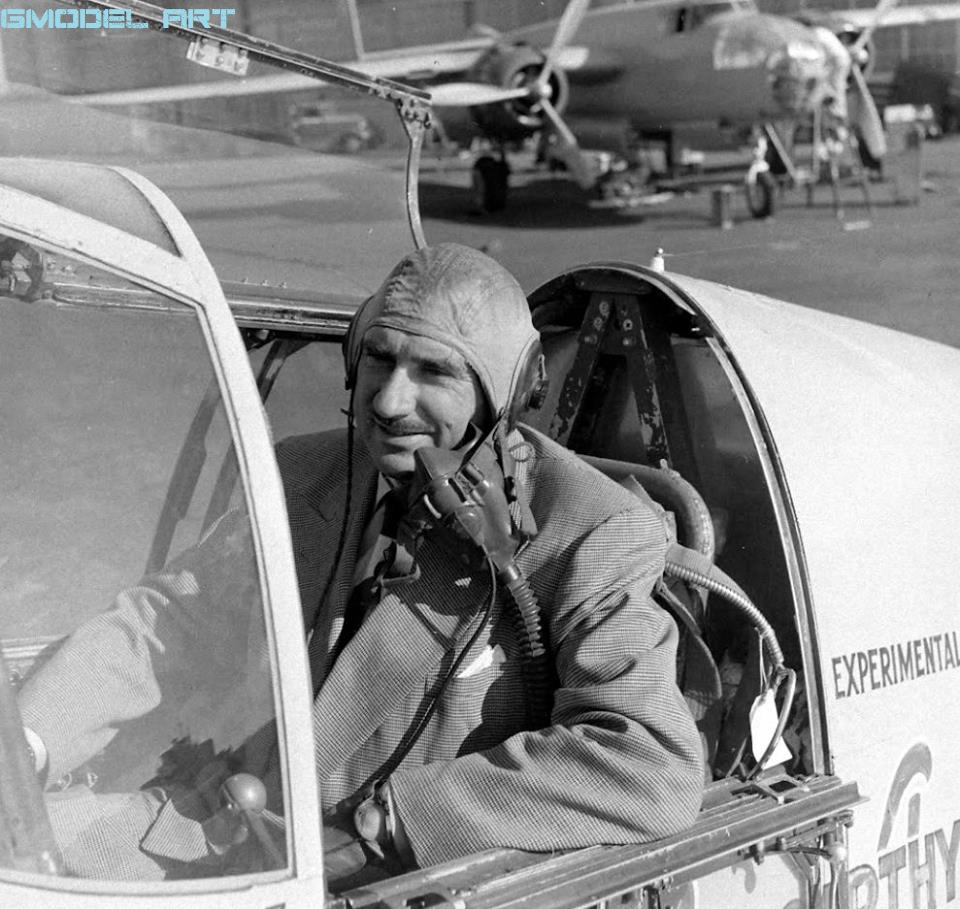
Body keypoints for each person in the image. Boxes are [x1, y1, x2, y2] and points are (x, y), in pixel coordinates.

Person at [17, 242, 703, 886]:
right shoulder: (302, 473)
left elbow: (649, 761)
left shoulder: (589, 531)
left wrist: (388, 823)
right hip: (218, 825)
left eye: (434, 371)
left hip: (388, 878)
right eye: (379, 358)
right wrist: (26, 740)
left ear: (508, 394)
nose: (388, 401)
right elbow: (168, 624)